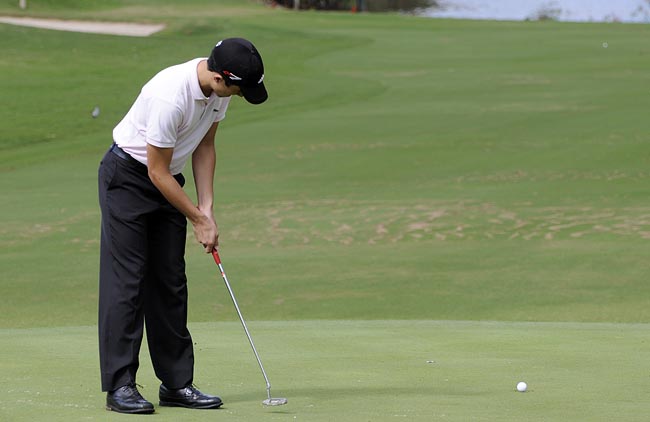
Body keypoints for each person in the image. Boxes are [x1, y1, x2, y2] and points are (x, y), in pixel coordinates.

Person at [97, 37, 268, 414]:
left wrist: (206, 208)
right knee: (127, 282)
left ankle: (176, 384)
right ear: (222, 77)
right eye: (239, 89)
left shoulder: (217, 91)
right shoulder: (168, 96)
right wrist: (194, 216)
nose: (240, 96)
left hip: (167, 181)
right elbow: (155, 171)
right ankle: (120, 386)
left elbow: (205, 146)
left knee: (170, 281)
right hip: (128, 177)